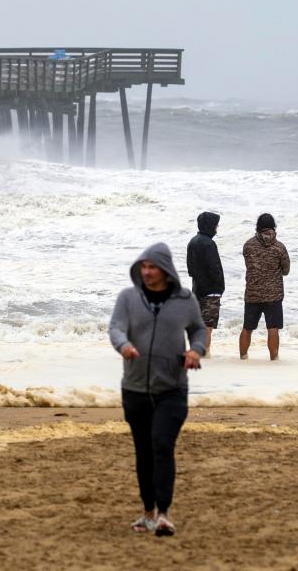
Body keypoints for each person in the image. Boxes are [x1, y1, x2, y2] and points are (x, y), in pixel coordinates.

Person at [109, 242, 205, 537]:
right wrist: (123, 346)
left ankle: (163, 514)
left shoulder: (185, 300)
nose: (148, 273)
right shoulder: (128, 297)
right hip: (135, 388)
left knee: (162, 444)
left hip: (172, 388)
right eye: (144, 267)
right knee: (144, 451)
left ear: (166, 270)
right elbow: (116, 328)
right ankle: (147, 512)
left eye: (153, 267)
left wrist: (196, 351)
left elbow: (198, 329)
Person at [240, 214, 290, 360]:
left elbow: (248, 265)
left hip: (252, 293)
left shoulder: (248, 245)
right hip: (273, 295)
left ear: (258, 227)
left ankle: (243, 356)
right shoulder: (279, 247)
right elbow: (286, 270)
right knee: (273, 328)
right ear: (273, 227)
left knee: (247, 327)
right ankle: (274, 358)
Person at [186, 212, 225, 355]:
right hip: (211, 291)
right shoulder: (209, 244)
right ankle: (204, 353)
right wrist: (220, 285)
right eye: (215, 225)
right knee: (208, 325)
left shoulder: (192, 241)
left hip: (197, 288)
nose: (217, 228)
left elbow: (190, 269)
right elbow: (214, 268)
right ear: (210, 226)